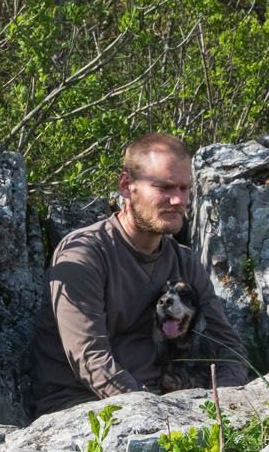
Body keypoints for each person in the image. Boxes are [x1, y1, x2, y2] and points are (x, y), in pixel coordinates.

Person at [31, 133, 251, 415]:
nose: (178, 200)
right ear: (126, 186)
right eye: (164, 187)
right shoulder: (83, 254)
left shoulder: (184, 261)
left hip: (167, 401)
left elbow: (228, 346)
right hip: (85, 411)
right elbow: (91, 361)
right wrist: (158, 413)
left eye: (184, 188)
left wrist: (225, 404)